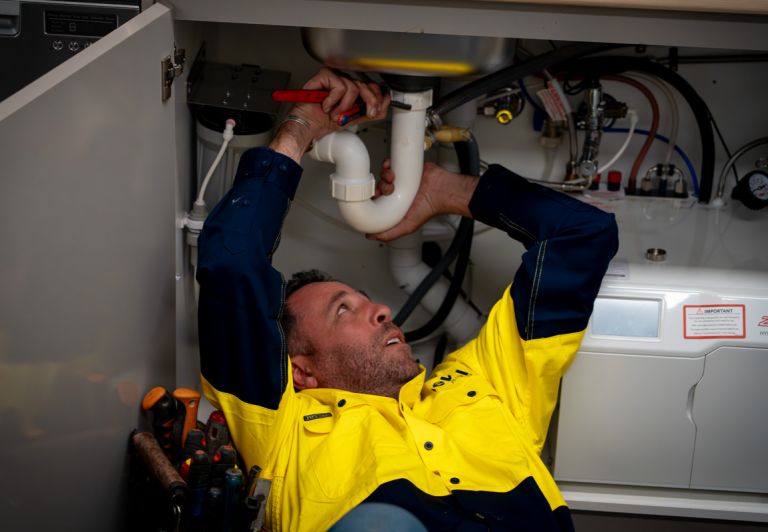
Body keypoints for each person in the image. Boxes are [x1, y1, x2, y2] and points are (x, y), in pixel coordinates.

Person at [197, 68, 618, 531]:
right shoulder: (284, 425)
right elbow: (233, 266)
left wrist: (447, 192)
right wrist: (299, 129)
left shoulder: (488, 385)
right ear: (301, 370)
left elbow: (583, 235)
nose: (382, 311)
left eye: (364, 301)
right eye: (344, 311)